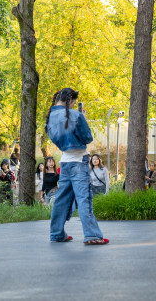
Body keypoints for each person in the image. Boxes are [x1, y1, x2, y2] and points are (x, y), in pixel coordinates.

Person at [44, 88, 108, 245]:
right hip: (79, 161)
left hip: (64, 161)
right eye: (73, 102)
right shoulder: (76, 115)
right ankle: (92, 235)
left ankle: (57, 233)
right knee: (84, 198)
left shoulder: (50, 118)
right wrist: (83, 119)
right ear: (70, 100)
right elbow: (87, 138)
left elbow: (54, 138)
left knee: (61, 199)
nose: (73, 105)